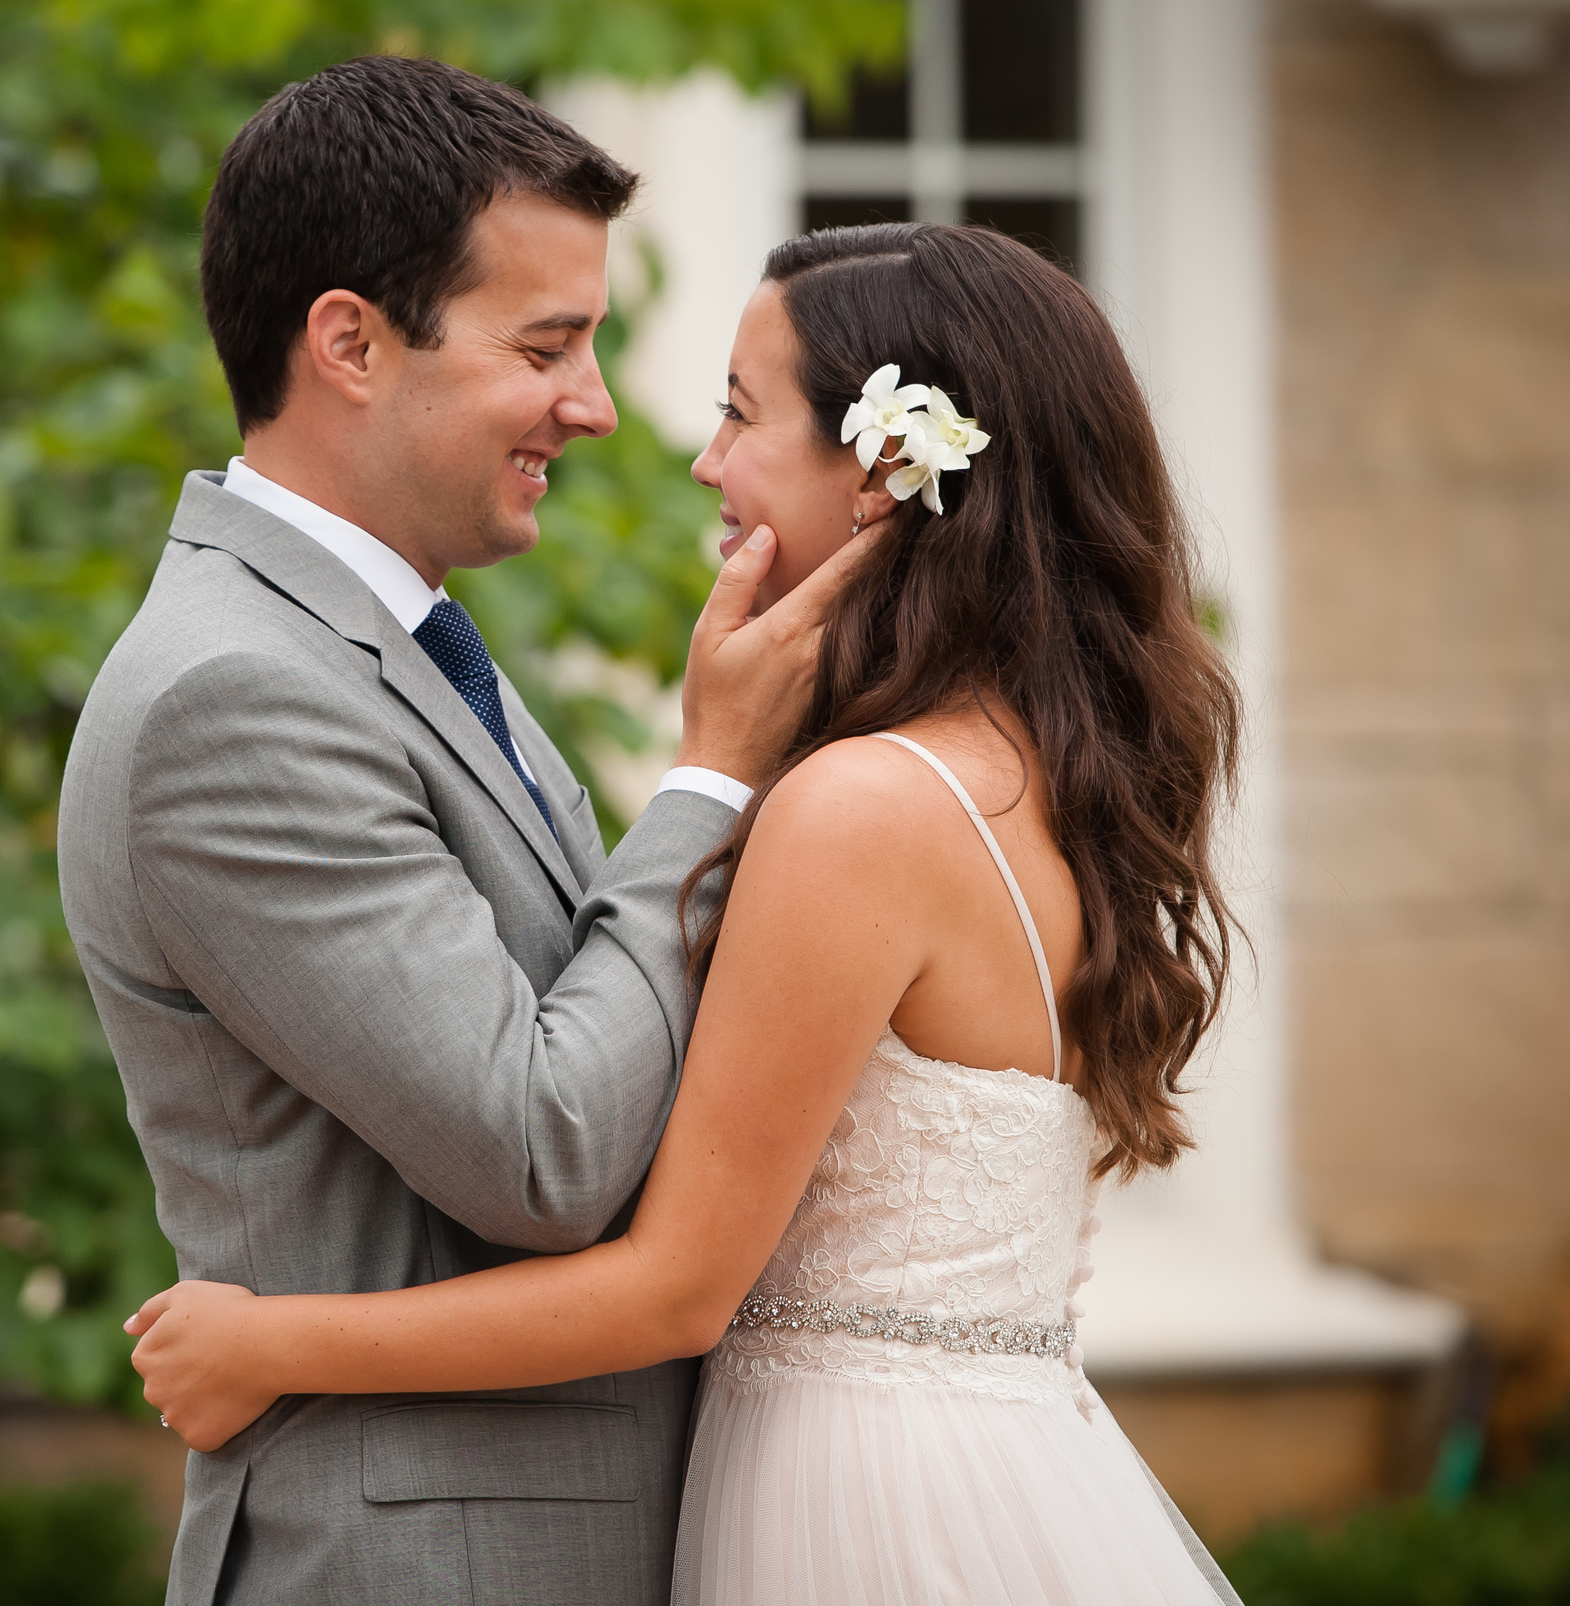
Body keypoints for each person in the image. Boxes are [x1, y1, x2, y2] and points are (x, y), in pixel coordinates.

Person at [125, 221, 1250, 1606]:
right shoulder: (1030, 776)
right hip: (1011, 1463)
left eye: (738, 413)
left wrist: (268, 1344)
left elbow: (672, 1290)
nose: (706, 463)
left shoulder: (859, 807)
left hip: (859, 1508)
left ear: (887, 469)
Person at [58, 57, 877, 1606]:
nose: (596, 403)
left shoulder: (394, 637)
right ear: (352, 344)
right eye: (548, 345)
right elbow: (543, 1146)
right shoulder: (231, 700)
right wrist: (711, 779)